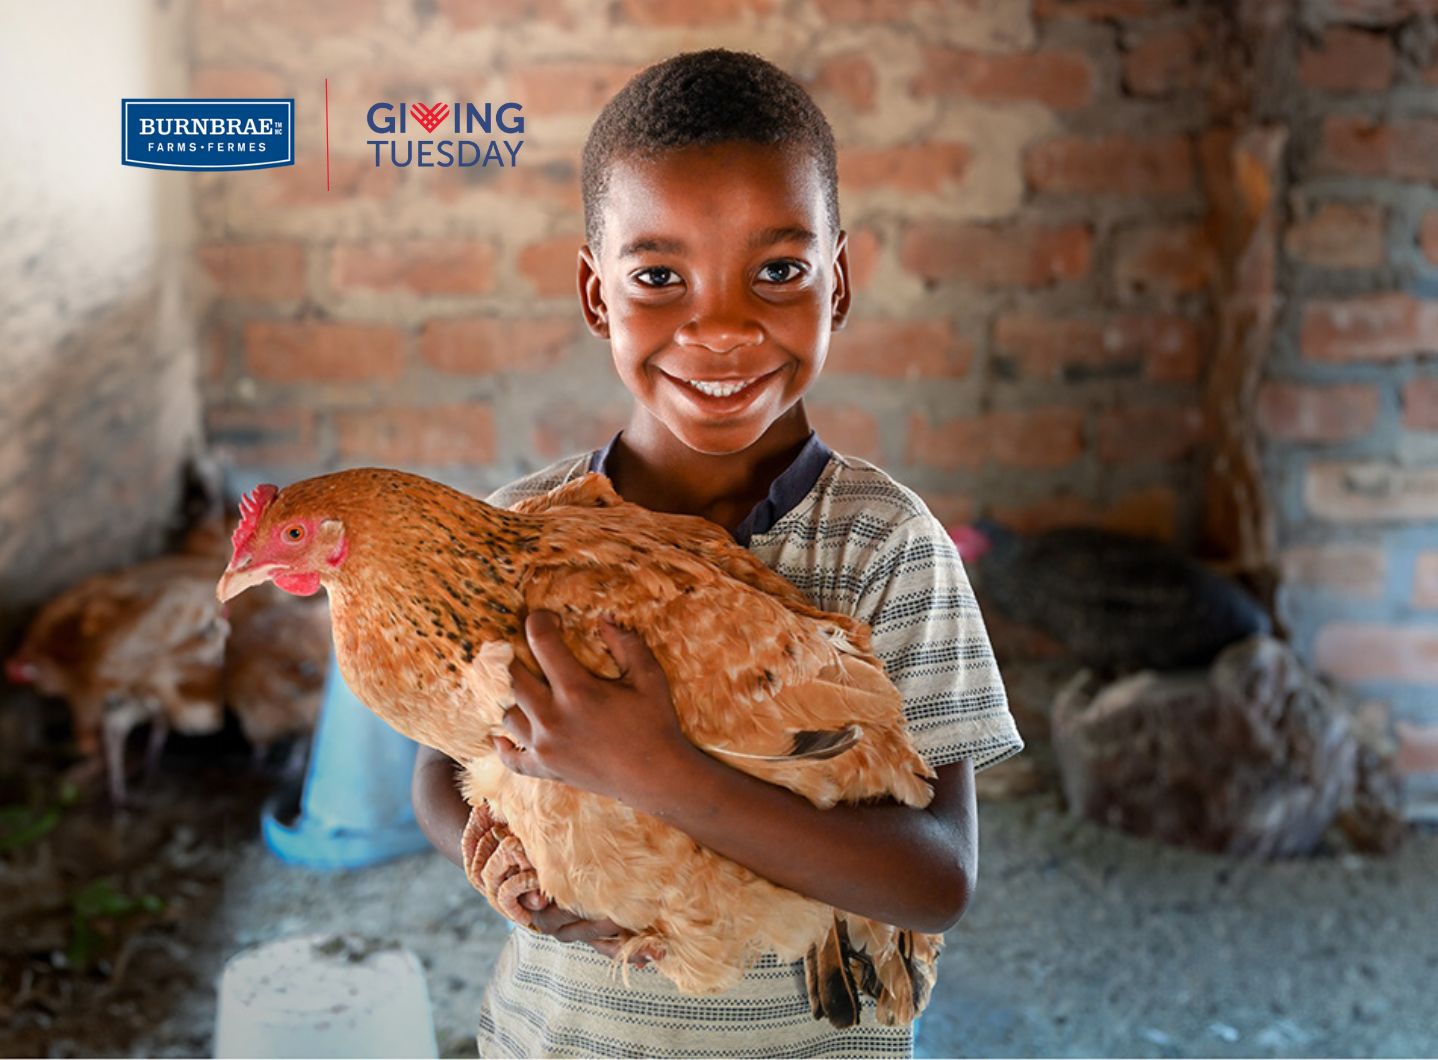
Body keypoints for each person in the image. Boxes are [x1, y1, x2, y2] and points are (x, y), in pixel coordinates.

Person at [411, 48, 1024, 1058]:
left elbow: (935, 879)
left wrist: (657, 770)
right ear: (596, 292)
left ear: (836, 284)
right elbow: (441, 774)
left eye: (776, 272)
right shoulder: (518, 530)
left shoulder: (884, 546)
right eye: (659, 275)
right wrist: (501, 863)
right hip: (562, 1036)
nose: (722, 325)